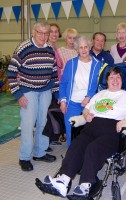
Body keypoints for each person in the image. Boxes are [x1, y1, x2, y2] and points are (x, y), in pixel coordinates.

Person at [41, 67, 126, 198]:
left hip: (110, 130)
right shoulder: (99, 94)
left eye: (118, 77)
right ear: (106, 80)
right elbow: (86, 109)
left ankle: (85, 185)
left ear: (122, 81)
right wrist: (86, 114)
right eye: (111, 77)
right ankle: (64, 180)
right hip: (91, 128)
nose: (115, 80)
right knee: (77, 145)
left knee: (93, 149)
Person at [7, 21, 58, 171]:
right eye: (40, 33)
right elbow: (11, 73)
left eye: (46, 33)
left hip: (45, 91)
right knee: (28, 125)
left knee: (43, 122)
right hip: (27, 90)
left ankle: (40, 153)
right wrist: (18, 95)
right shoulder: (24, 48)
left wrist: (56, 93)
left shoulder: (50, 49)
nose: (43, 36)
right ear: (34, 32)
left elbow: (54, 72)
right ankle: (24, 157)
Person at [59, 36, 102, 147]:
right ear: (77, 49)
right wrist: (63, 101)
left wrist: (89, 97)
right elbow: (63, 84)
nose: (83, 50)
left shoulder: (98, 64)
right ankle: (71, 158)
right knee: (71, 132)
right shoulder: (71, 63)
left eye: (86, 47)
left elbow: (99, 85)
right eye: (80, 47)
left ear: (90, 47)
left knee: (88, 132)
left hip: (89, 104)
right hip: (72, 103)